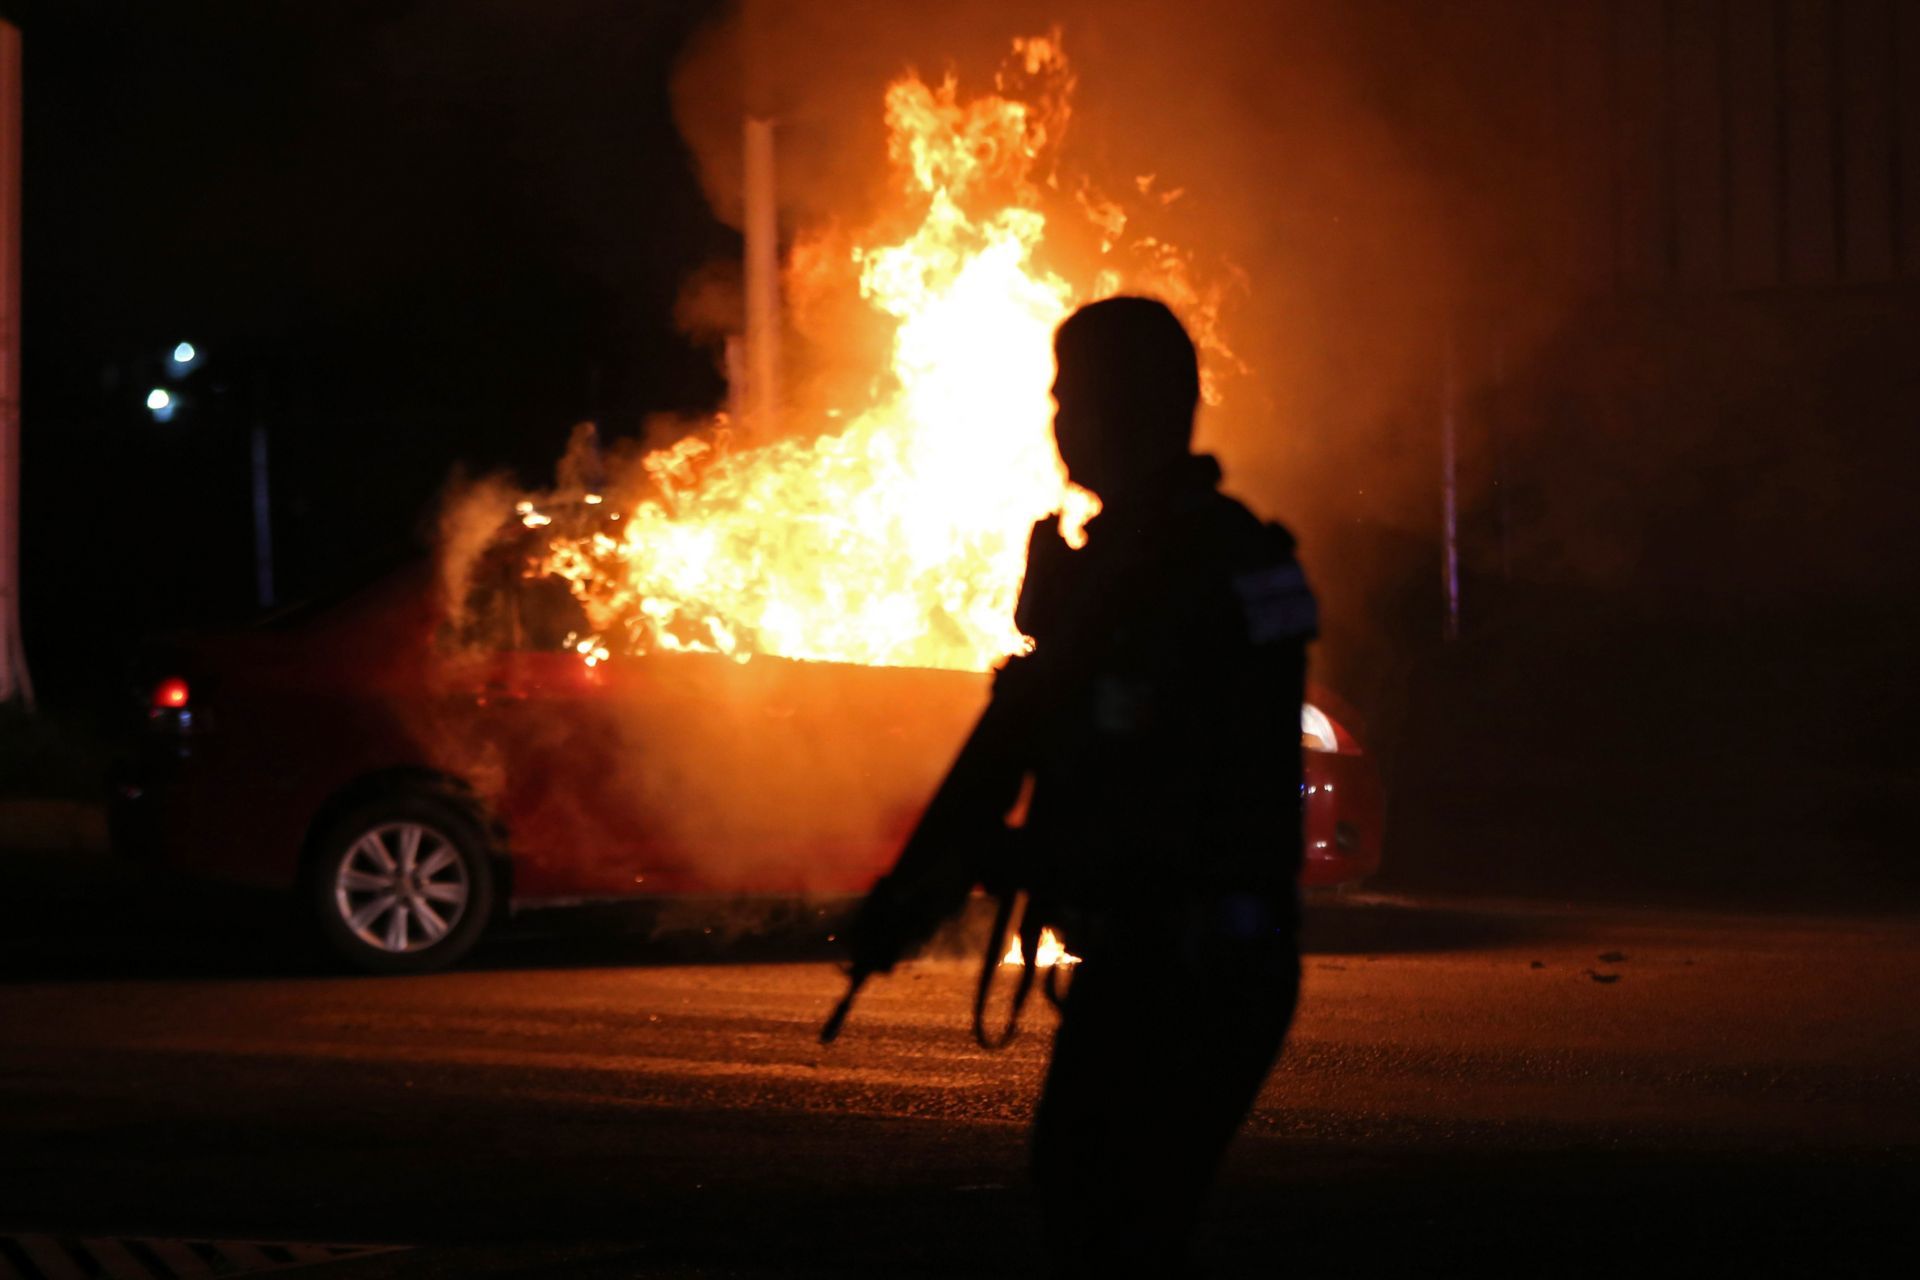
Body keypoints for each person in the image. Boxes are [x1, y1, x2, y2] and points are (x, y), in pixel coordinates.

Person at [843, 296, 1316, 1277]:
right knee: (1103, 1204)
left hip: (1190, 961)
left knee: (1105, 1206)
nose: (1057, 419)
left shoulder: (1192, 568)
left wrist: (975, 863)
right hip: (1191, 957)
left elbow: (1157, 778)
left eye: (1070, 396)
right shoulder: (1182, 559)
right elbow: (1021, 738)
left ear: (1120, 408)